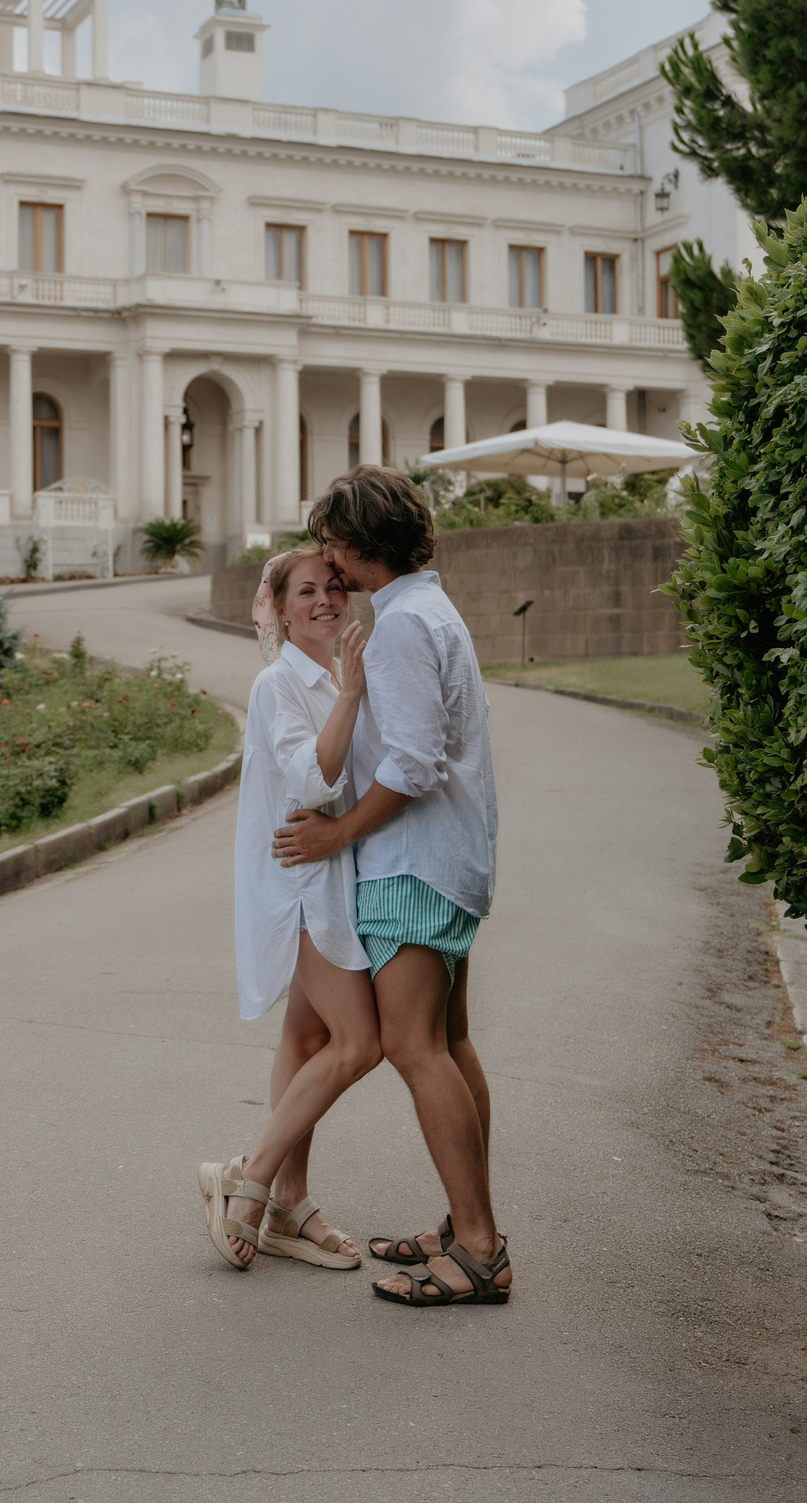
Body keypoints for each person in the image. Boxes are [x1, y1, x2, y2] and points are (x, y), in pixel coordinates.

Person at [273, 465, 506, 1308]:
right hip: (449, 860)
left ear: (364, 541)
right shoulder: (428, 610)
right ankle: (467, 1224)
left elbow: (410, 763)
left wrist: (336, 832)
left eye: (335, 540)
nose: (330, 560)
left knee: (414, 1047)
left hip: (412, 863)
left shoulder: (406, 624)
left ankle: (477, 1249)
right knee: (449, 1040)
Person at [197, 546, 381, 1272]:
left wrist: (348, 688)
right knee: (360, 1043)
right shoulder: (282, 685)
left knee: (305, 1043)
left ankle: (289, 1202)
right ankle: (249, 1181)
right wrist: (351, 696)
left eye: (335, 587)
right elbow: (313, 781)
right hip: (307, 891)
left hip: (334, 881)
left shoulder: (330, 674)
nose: (326, 600)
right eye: (306, 590)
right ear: (277, 607)